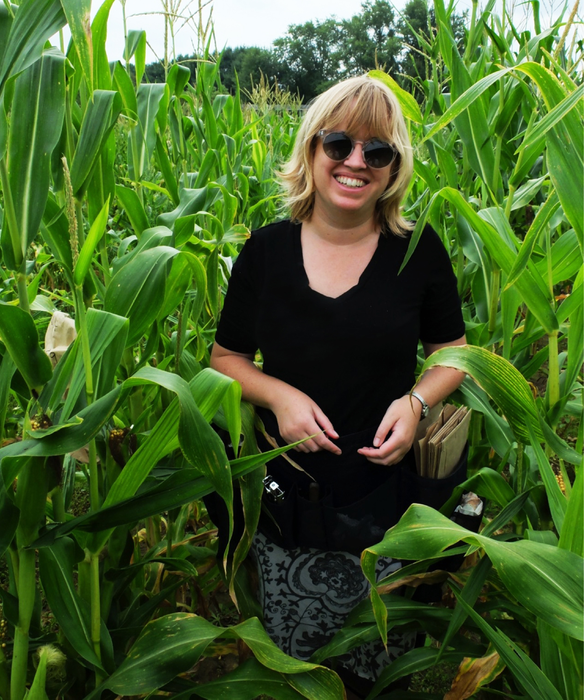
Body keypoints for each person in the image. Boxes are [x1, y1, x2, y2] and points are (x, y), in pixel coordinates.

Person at [210, 75, 467, 698]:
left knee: (381, 659)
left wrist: (416, 402)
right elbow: (226, 358)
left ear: (393, 168)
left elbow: (454, 353)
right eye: (340, 144)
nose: (356, 162)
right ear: (311, 150)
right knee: (300, 662)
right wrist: (279, 396)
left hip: (387, 488)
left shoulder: (416, 251)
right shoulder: (265, 252)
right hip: (293, 490)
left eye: (377, 152)